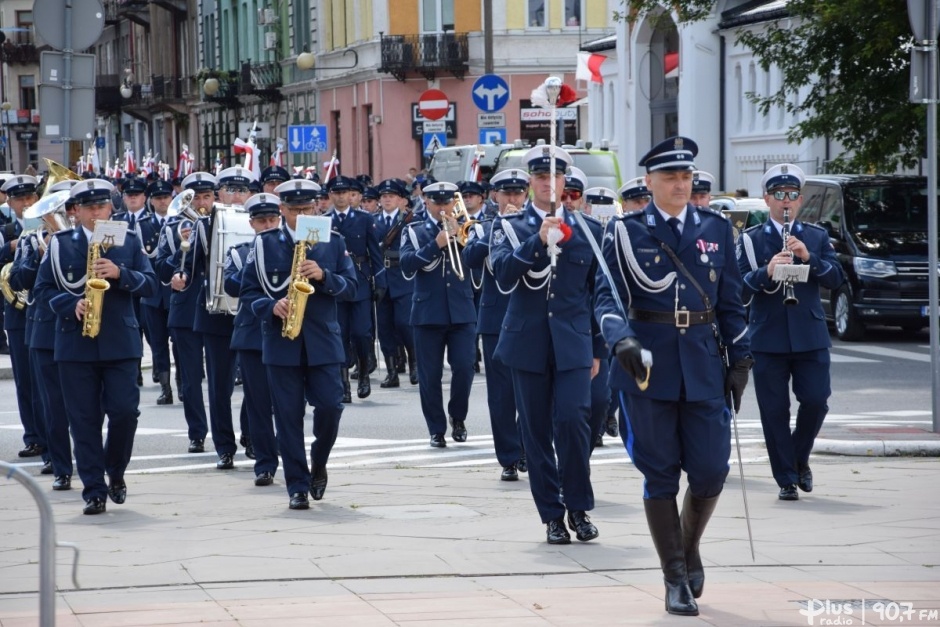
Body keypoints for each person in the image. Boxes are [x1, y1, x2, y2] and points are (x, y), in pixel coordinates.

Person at [594, 136, 752, 616]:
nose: (680, 184)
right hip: (647, 368)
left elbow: (730, 301)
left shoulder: (716, 230)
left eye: (686, 177)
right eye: (670, 177)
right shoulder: (624, 232)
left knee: (710, 470)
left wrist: (741, 357)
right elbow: (607, 297)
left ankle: (686, 545)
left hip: (703, 363)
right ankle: (674, 577)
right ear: (650, 182)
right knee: (659, 472)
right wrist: (620, 339)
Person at [489, 146, 605, 545]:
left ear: (564, 183)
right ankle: (552, 515)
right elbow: (503, 275)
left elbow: (598, 293)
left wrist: (598, 349)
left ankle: (579, 506)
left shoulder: (589, 230)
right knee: (536, 433)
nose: (546, 183)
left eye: (554, 177)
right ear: (530, 182)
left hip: (573, 342)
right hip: (527, 344)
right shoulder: (508, 227)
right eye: (539, 176)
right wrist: (537, 242)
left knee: (574, 421)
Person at [33, 178, 157, 514]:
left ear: (110, 208)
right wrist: (70, 305)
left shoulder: (129, 240)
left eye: (101, 206)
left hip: (120, 341)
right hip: (75, 343)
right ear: (75, 212)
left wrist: (120, 273)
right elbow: (41, 293)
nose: (96, 213)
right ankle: (94, 489)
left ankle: (115, 470)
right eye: (88, 207)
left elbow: (151, 285)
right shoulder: (60, 244)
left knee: (125, 412)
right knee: (83, 419)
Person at [239, 178, 358, 510]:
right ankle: (297, 485)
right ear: (283, 211)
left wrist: (324, 276)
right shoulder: (264, 245)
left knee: (331, 406)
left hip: (323, 341)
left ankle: (319, 461)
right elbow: (248, 292)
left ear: (317, 207)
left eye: (308, 208)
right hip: (281, 341)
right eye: (295, 210)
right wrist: (269, 306)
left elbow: (352, 288)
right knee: (288, 416)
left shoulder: (332, 241)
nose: (303, 214)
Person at [737, 163, 844, 501]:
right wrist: (766, 272)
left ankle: (798, 458)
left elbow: (836, 279)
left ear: (800, 200)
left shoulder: (816, 236)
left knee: (816, 400)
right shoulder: (750, 240)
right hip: (768, 338)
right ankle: (785, 477)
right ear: (766, 198)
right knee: (774, 411)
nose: (786, 202)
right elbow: (737, 292)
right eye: (779, 195)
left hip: (810, 335)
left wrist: (808, 258)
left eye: (792, 195)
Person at [399, 181, 477, 448]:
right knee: (429, 375)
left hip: (462, 311)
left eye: (447, 203)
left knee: (465, 368)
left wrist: (463, 239)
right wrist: (437, 243)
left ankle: (458, 417)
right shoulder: (414, 230)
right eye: (437, 203)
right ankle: (436, 428)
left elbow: (478, 263)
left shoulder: (468, 227)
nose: (443, 207)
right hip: (427, 312)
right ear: (427, 202)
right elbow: (407, 264)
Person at [463, 168, 527, 481]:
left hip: (529, 318)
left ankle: (527, 444)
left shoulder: (534, 226)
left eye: (518, 193)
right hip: (495, 319)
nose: (512, 198)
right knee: (500, 394)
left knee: (531, 389)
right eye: (507, 193)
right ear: (495, 196)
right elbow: (470, 258)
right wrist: (499, 229)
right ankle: (508, 457)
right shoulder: (485, 227)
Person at [156, 171, 215, 454]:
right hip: (185, 308)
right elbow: (161, 269)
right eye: (195, 198)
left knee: (220, 378)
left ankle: (228, 431)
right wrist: (175, 266)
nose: (201, 203)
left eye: (206, 196)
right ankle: (197, 433)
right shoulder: (171, 228)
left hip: (217, 308)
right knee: (190, 378)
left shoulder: (223, 223)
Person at [225, 192, 282, 487]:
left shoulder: (293, 249)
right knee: (258, 403)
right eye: (262, 220)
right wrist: (255, 262)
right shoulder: (239, 251)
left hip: (286, 332)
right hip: (251, 334)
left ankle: (289, 450)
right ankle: (265, 463)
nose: (268, 224)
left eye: (273, 219)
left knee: (286, 401)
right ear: (252, 223)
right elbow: (232, 286)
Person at [326, 175, 386, 402]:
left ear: (351, 195)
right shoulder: (324, 221)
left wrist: (380, 282)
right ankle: (343, 384)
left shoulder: (363, 219)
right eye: (337, 193)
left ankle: (362, 373)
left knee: (362, 333)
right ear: (330, 195)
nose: (341, 196)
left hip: (360, 281)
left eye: (345, 192)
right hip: (334, 283)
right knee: (339, 335)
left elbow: (376, 254)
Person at [0, 175, 43, 459]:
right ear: (10, 202)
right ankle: (33, 436)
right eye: (20, 199)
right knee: (25, 380)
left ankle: (53, 434)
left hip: (44, 312)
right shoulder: (6, 230)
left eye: (30, 198)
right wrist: (9, 248)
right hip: (17, 314)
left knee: (47, 381)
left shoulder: (50, 226)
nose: (26, 204)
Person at [372, 178, 417, 387]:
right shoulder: (373, 221)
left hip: (403, 277)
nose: (387, 199)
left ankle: (414, 364)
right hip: (381, 276)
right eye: (384, 196)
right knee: (385, 327)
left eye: (392, 196)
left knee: (405, 324)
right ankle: (392, 372)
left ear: (401, 200)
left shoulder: (410, 220)